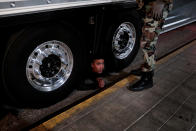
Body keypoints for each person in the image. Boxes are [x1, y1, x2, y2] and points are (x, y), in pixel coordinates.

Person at [128, 0, 173, 91]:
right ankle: (147, 67)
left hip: (156, 4)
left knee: (147, 42)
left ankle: (147, 79)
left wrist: (161, 1)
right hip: (146, 4)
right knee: (148, 39)